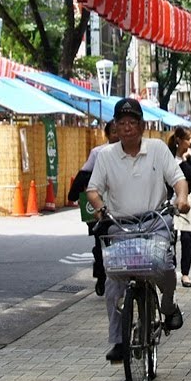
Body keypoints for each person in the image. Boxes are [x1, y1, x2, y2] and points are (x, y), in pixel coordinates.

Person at [86, 98, 191, 363]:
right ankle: (119, 341)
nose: (127, 128)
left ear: (142, 126)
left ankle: (167, 306)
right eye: (122, 123)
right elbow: (92, 189)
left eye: (133, 122)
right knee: (114, 282)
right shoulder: (106, 155)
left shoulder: (157, 148)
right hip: (121, 226)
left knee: (165, 267)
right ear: (115, 127)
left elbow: (178, 179)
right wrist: (99, 207)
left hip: (155, 221)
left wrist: (182, 198)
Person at [68, 120, 117, 296]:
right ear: (107, 134)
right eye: (113, 131)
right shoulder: (98, 153)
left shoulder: (129, 152)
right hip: (99, 206)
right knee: (100, 242)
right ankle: (101, 275)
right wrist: (75, 195)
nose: (117, 135)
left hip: (121, 204)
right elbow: (83, 175)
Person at [166, 126, 191, 288]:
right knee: (169, 238)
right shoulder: (167, 156)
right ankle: (171, 269)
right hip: (168, 202)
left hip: (187, 201)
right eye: (188, 138)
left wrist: (185, 161)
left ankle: (185, 273)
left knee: (187, 238)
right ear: (178, 140)